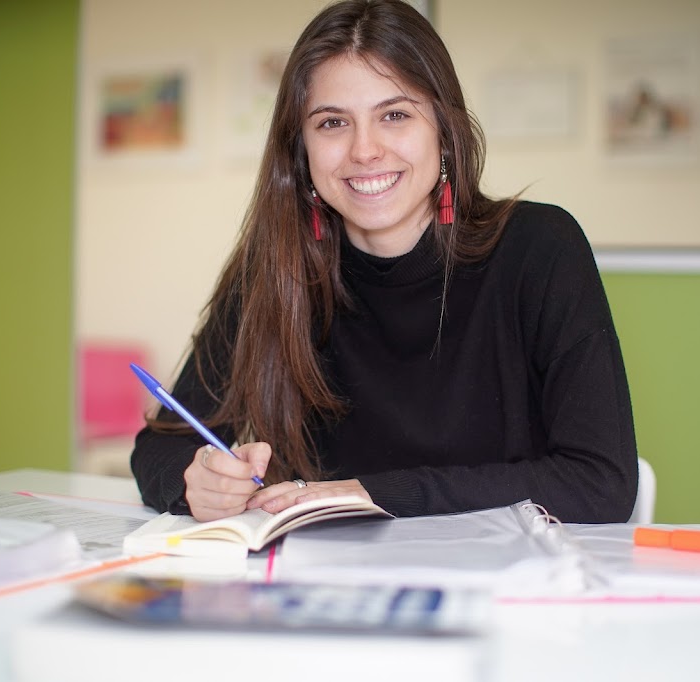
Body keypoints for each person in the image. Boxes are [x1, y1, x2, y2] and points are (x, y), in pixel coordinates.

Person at [130, 0, 637, 524]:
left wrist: (373, 493)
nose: (364, 150)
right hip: (329, 588)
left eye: (394, 115)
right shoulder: (273, 271)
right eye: (332, 123)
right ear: (301, 151)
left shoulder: (539, 247)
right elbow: (157, 450)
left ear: (442, 129)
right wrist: (198, 480)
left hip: (508, 588)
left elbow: (602, 483)